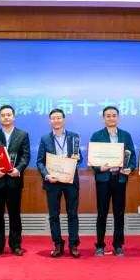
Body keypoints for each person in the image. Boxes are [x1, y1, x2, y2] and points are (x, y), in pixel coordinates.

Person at [0, 105, 30, 257]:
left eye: (9, 115)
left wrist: (19, 169)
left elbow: (26, 156)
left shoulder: (22, 134)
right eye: (3, 115)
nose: (6, 117)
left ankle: (16, 245)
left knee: (14, 214)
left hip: (14, 181)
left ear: (14, 117)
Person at [90, 106, 136, 256]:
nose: (111, 118)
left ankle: (118, 245)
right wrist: (99, 167)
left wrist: (130, 168)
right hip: (103, 179)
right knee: (102, 213)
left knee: (119, 213)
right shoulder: (97, 135)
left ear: (118, 118)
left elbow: (132, 156)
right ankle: (100, 245)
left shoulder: (126, 135)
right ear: (103, 118)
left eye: (114, 115)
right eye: (108, 116)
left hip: (120, 178)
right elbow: (92, 158)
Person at [36, 109, 82, 258]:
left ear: (64, 119)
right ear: (50, 121)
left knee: (72, 214)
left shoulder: (74, 137)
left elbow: (80, 157)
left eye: (59, 118)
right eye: (53, 118)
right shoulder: (45, 139)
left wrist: (77, 158)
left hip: (70, 180)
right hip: (53, 181)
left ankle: (73, 245)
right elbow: (40, 161)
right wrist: (47, 175)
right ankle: (57, 244)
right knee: (53, 215)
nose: (56, 120)